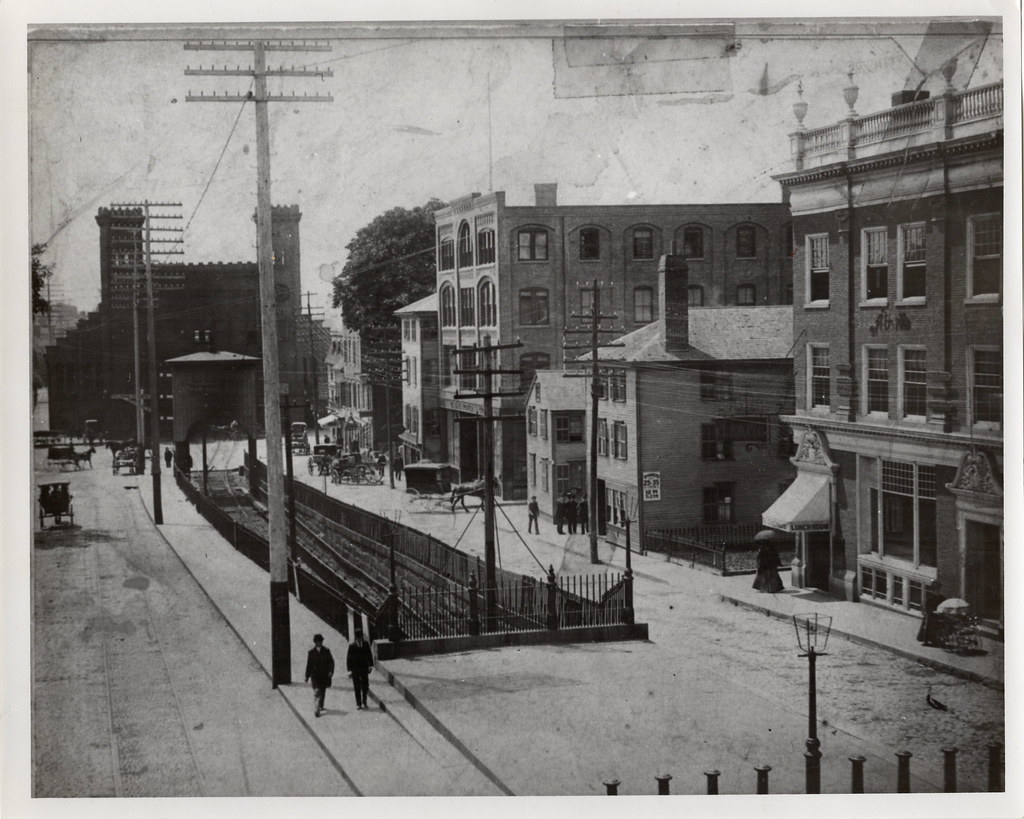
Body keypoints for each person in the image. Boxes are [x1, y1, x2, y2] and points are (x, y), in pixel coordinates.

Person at [304, 633, 335, 717]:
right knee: (317, 691)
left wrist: (331, 671)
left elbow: (331, 662)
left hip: (324, 675)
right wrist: (306, 676)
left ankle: (320, 705)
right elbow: (309, 665)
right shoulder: (311, 652)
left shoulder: (326, 651)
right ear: (315, 642)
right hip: (315, 676)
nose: (319, 643)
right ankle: (317, 708)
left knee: (323, 690)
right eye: (317, 641)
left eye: (320, 641)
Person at [346, 629, 374, 710]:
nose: (359, 639)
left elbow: (369, 655)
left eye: (360, 637)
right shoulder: (352, 646)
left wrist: (370, 666)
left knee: (365, 685)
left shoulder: (365, 644)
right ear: (355, 637)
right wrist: (349, 670)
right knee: (357, 686)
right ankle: (358, 703)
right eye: (358, 637)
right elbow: (349, 658)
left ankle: (364, 701)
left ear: (362, 636)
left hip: (364, 668)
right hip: (355, 669)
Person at [916, 581, 946, 647]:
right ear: (933, 590)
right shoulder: (930, 598)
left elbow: (945, 604)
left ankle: (940, 639)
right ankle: (928, 640)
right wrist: (932, 611)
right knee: (930, 625)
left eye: (939, 590)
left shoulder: (942, 598)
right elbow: (926, 607)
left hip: (939, 615)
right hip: (931, 616)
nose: (939, 591)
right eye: (937, 590)